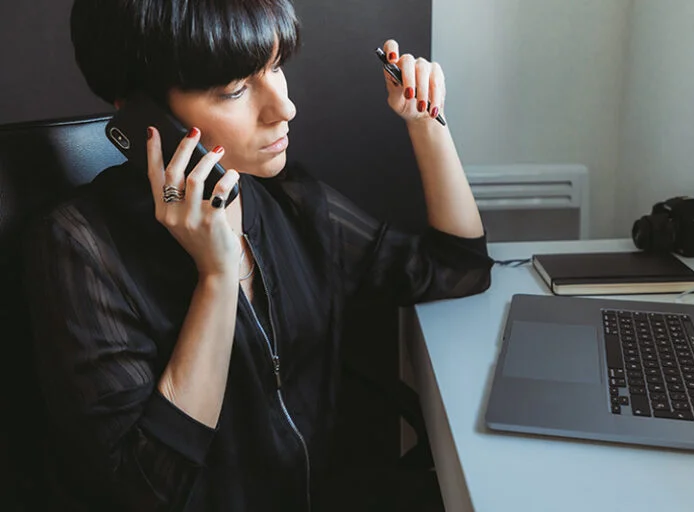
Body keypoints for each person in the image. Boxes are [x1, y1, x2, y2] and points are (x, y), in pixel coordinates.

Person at [22, 0, 493, 510]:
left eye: (275, 69)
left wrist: (426, 122)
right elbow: (145, 489)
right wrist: (217, 277)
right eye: (235, 90)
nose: (283, 108)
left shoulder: (288, 200)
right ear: (142, 115)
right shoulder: (79, 246)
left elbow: (455, 271)